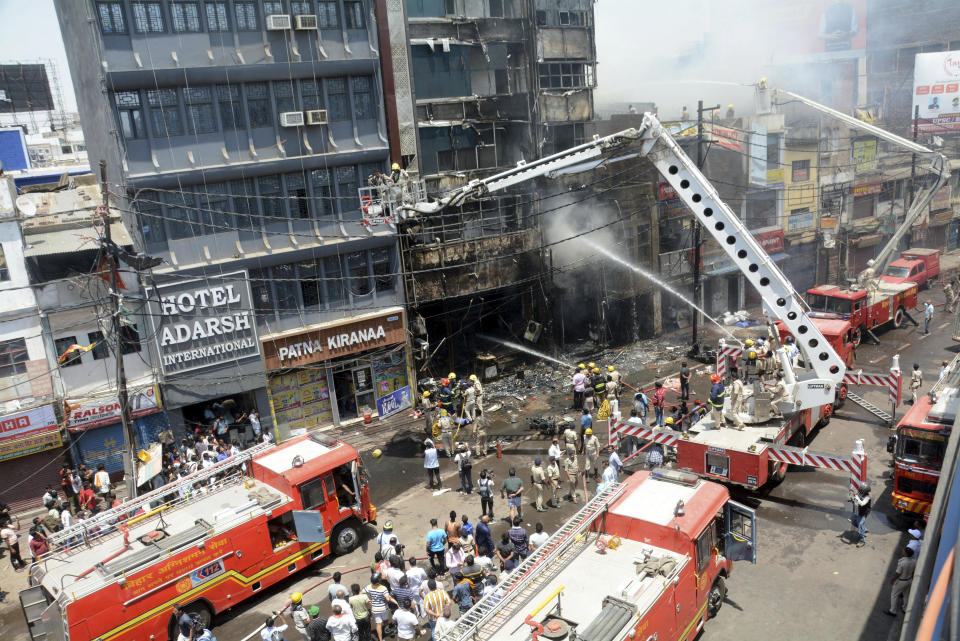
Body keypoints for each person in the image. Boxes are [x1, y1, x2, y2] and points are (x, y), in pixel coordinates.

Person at [885, 547, 917, 617]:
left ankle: (893, 611)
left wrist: (892, 580)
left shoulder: (902, 562)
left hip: (901, 581)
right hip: (909, 580)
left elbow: (898, 573)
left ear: (906, 554)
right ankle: (905, 608)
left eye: (904, 551)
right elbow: (913, 572)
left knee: (894, 595)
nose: (902, 551)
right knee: (906, 594)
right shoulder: (914, 561)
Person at [364, 574, 395, 641]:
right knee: (385, 621)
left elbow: (361, 592)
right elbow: (387, 599)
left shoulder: (369, 586)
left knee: (378, 624)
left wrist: (368, 600)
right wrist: (386, 601)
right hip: (383, 608)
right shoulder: (383, 588)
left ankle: (380, 639)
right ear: (378, 581)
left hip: (375, 609)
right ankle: (387, 630)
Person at [849, 483, 871, 548]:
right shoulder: (859, 494)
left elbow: (861, 503)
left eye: (860, 489)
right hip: (856, 512)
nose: (858, 490)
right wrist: (852, 498)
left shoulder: (867, 498)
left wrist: (856, 496)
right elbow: (855, 501)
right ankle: (863, 529)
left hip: (862, 514)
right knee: (853, 522)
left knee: (860, 525)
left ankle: (862, 541)